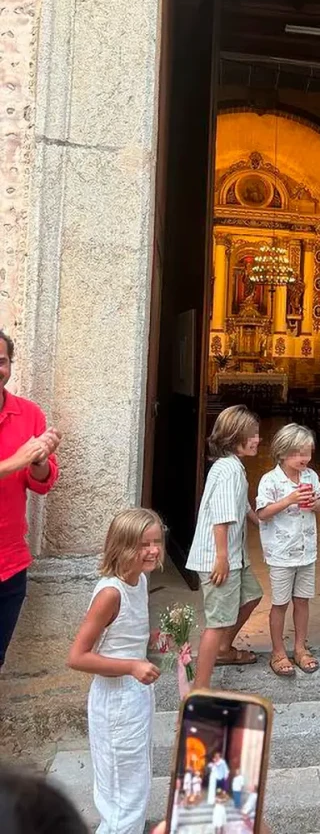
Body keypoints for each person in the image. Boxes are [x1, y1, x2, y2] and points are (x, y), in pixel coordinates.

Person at [67, 509, 165, 834]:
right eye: (143, 544)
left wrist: (155, 640)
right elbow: (78, 657)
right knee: (122, 794)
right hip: (116, 702)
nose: (153, 550)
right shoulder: (111, 593)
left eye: (157, 542)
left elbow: (123, 637)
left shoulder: (139, 581)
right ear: (122, 547)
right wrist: (132, 666)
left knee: (135, 785)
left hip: (136, 697)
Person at [186, 405, 264, 689]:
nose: (258, 439)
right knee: (216, 622)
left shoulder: (233, 467)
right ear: (235, 436)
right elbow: (221, 515)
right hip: (220, 558)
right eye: (252, 435)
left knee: (253, 595)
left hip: (234, 555)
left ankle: (224, 650)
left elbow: (241, 506)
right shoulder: (229, 470)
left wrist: (261, 521)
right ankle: (200, 687)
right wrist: (221, 558)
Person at [0, 329, 62, 670]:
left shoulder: (29, 414)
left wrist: (38, 461)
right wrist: (21, 458)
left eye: (2, 361)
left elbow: (40, 484)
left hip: (8, 564)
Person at [256, 423, 320, 678]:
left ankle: (300, 647)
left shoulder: (311, 476)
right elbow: (262, 513)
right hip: (281, 553)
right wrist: (289, 500)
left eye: (307, 453)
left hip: (307, 550)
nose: (304, 459)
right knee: (280, 603)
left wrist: (314, 503)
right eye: (298, 453)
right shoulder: (270, 480)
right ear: (283, 452)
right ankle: (278, 651)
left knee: (303, 600)